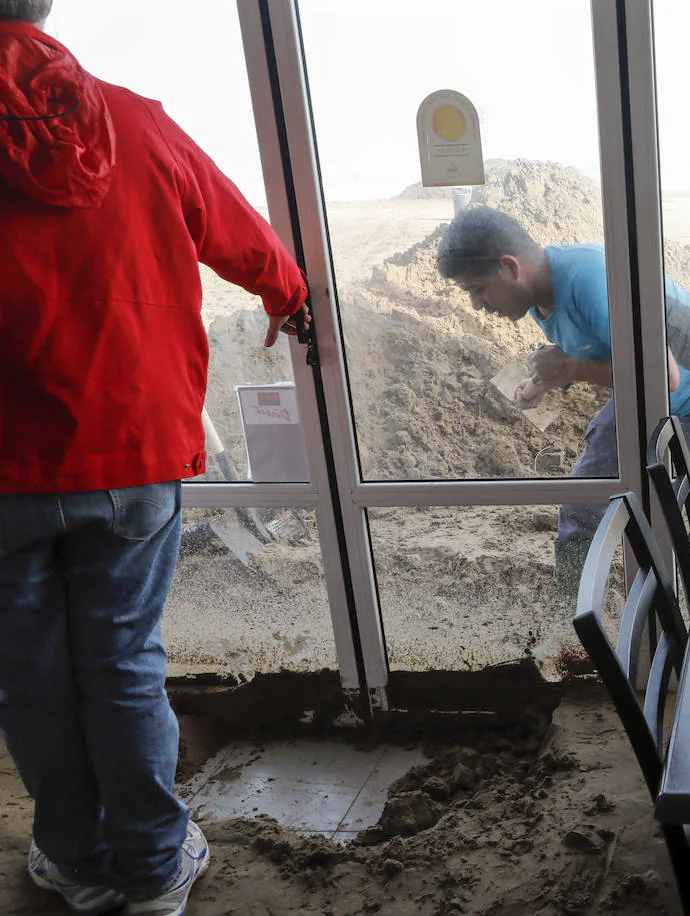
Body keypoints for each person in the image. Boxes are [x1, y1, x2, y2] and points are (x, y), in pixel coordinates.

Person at [0, 3, 310, 914]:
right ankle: (154, 870)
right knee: (124, 660)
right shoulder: (135, 121)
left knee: (29, 671)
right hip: (130, 453)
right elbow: (240, 232)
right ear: (46, 12)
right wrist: (287, 295)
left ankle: (78, 863)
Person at [435, 206, 690, 546]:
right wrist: (543, 381)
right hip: (641, 392)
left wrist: (570, 369)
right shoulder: (537, 296)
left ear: (510, 267)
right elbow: (603, 347)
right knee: (581, 502)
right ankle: (572, 599)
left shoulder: (592, 282)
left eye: (477, 289)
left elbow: (664, 376)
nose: (476, 305)